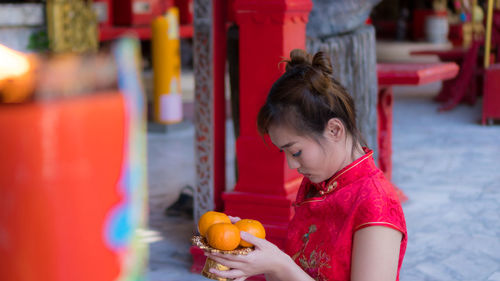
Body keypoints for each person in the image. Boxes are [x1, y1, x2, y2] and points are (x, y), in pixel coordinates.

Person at [205, 49, 407, 281]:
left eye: (296, 151)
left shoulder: (376, 204)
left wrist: (280, 265)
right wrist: (253, 250)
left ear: (334, 130)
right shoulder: (316, 185)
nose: (292, 164)